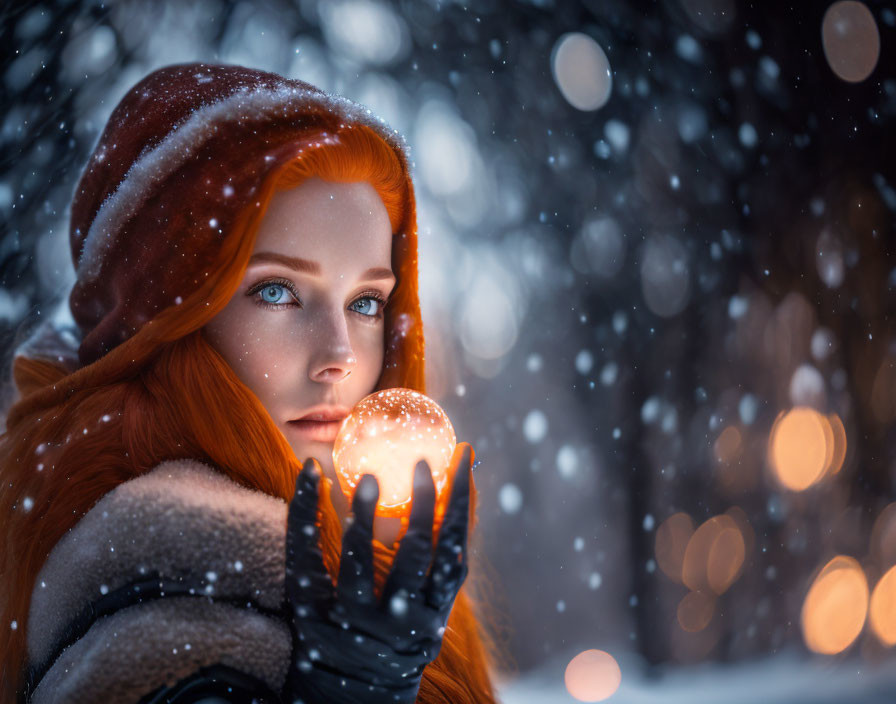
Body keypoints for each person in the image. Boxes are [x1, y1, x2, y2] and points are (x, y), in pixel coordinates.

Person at [0, 63, 503, 702]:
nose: (340, 356)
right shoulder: (160, 613)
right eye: (276, 290)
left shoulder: (350, 572)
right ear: (171, 319)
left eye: (368, 302)